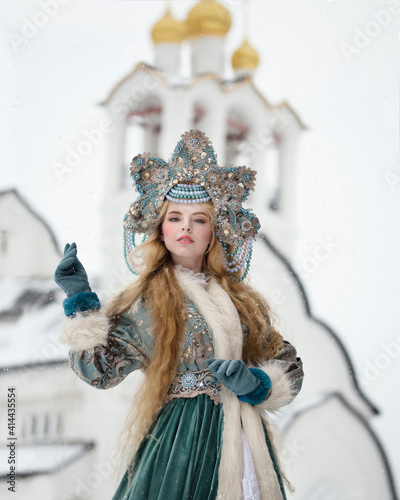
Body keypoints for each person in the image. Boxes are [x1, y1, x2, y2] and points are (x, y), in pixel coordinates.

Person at [54, 130, 304, 500]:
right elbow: (99, 372)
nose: (186, 227)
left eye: (199, 219)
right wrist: (81, 302)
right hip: (179, 445)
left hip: (242, 439)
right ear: (161, 230)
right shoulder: (145, 300)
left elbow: (288, 365)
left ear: (212, 235)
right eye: (175, 217)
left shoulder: (240, 302)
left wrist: (257, 383)